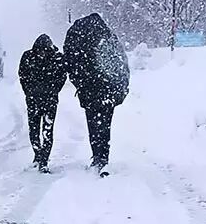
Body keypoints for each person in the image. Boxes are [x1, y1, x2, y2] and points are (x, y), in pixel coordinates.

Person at [64, 13, 130, 174]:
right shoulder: (108, 37)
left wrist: (80, 84)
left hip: (90, 92)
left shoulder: (79, 39)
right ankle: (103, 157)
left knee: (93, 124)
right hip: (109, 91)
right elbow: (121, 64)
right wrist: (120, 89)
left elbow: (71, 63)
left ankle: (97, 156)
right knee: (105, 125)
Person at [19, 34, 67, 173]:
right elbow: (22, 76)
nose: (42, 54)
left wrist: (53, 91)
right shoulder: (28, 57)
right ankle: (37, 154)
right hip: (33, 100)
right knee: (34, 131)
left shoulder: (57, 59)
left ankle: (44, 160)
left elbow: (62, 77)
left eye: (45, 51)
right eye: (40, 50)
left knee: (47, 131)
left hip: (49, 101)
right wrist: (29, 92)